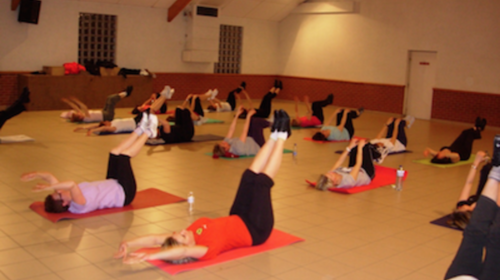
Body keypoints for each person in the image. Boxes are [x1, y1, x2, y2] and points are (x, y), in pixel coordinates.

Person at [113, 110, 291, 264]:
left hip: (238, 216)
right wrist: (150, 257)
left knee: (249, 176)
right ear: (188, 247)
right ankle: (282, 137)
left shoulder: (191, 234)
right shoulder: (204, 250)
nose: (183, 231)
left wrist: (128, 243)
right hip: (255, 229)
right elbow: (181, 252)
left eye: (178, 233)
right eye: (182, 236)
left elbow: (154, 238)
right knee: (261, 183)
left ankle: (274, 135)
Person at [21, 111, 159, 214]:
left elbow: (49, 177)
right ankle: (148, 132)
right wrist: (47, 188)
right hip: (124, 193)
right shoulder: (78, 205)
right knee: (124, 156)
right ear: (64, 203)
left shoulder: (65, 194)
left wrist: (35, 174)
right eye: (58, 193)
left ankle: (140, 129)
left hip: (112, 182)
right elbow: (71, 184)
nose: (59, 190)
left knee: (114, 152)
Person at [444, 135, 500, 280]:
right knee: (495, 238)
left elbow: (468, 184)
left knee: (474, 234)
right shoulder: (490, 218)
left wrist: (475, 164)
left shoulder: (469, 209)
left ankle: (496, 169)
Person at [447, 151, 492, 230]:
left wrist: (476, 162)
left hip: (488, 182)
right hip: (494, 188)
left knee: (486, 169)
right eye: (462, 209)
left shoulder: (463, 204)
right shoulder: (485, 211)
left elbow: (468, 183)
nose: (460, 207)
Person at [315, 138, 380, 190]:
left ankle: (371, 152)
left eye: (328, 173)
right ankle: (378, 154)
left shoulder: (332, 174)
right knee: (365, 146)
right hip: (366, 172)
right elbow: (358, 164)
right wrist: (360, 148)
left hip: (352, 169)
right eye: (331, 175)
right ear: (334, 182)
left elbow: (339, 161)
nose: (331, 172)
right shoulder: (348, 182)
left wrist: (349, 147)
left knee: (355, 146)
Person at [61, 86, 133, 123]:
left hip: (103, 112)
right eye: (78, 114)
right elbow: (84, 107)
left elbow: (76, 108)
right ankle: (126, 93)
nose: (79, 112)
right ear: (80, 118)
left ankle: (124, 93)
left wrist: (68, 102)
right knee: (111, 100)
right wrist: (76, 100)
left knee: (108, 98)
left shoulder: (82, 116)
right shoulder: (86, 118)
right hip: (107, 116)